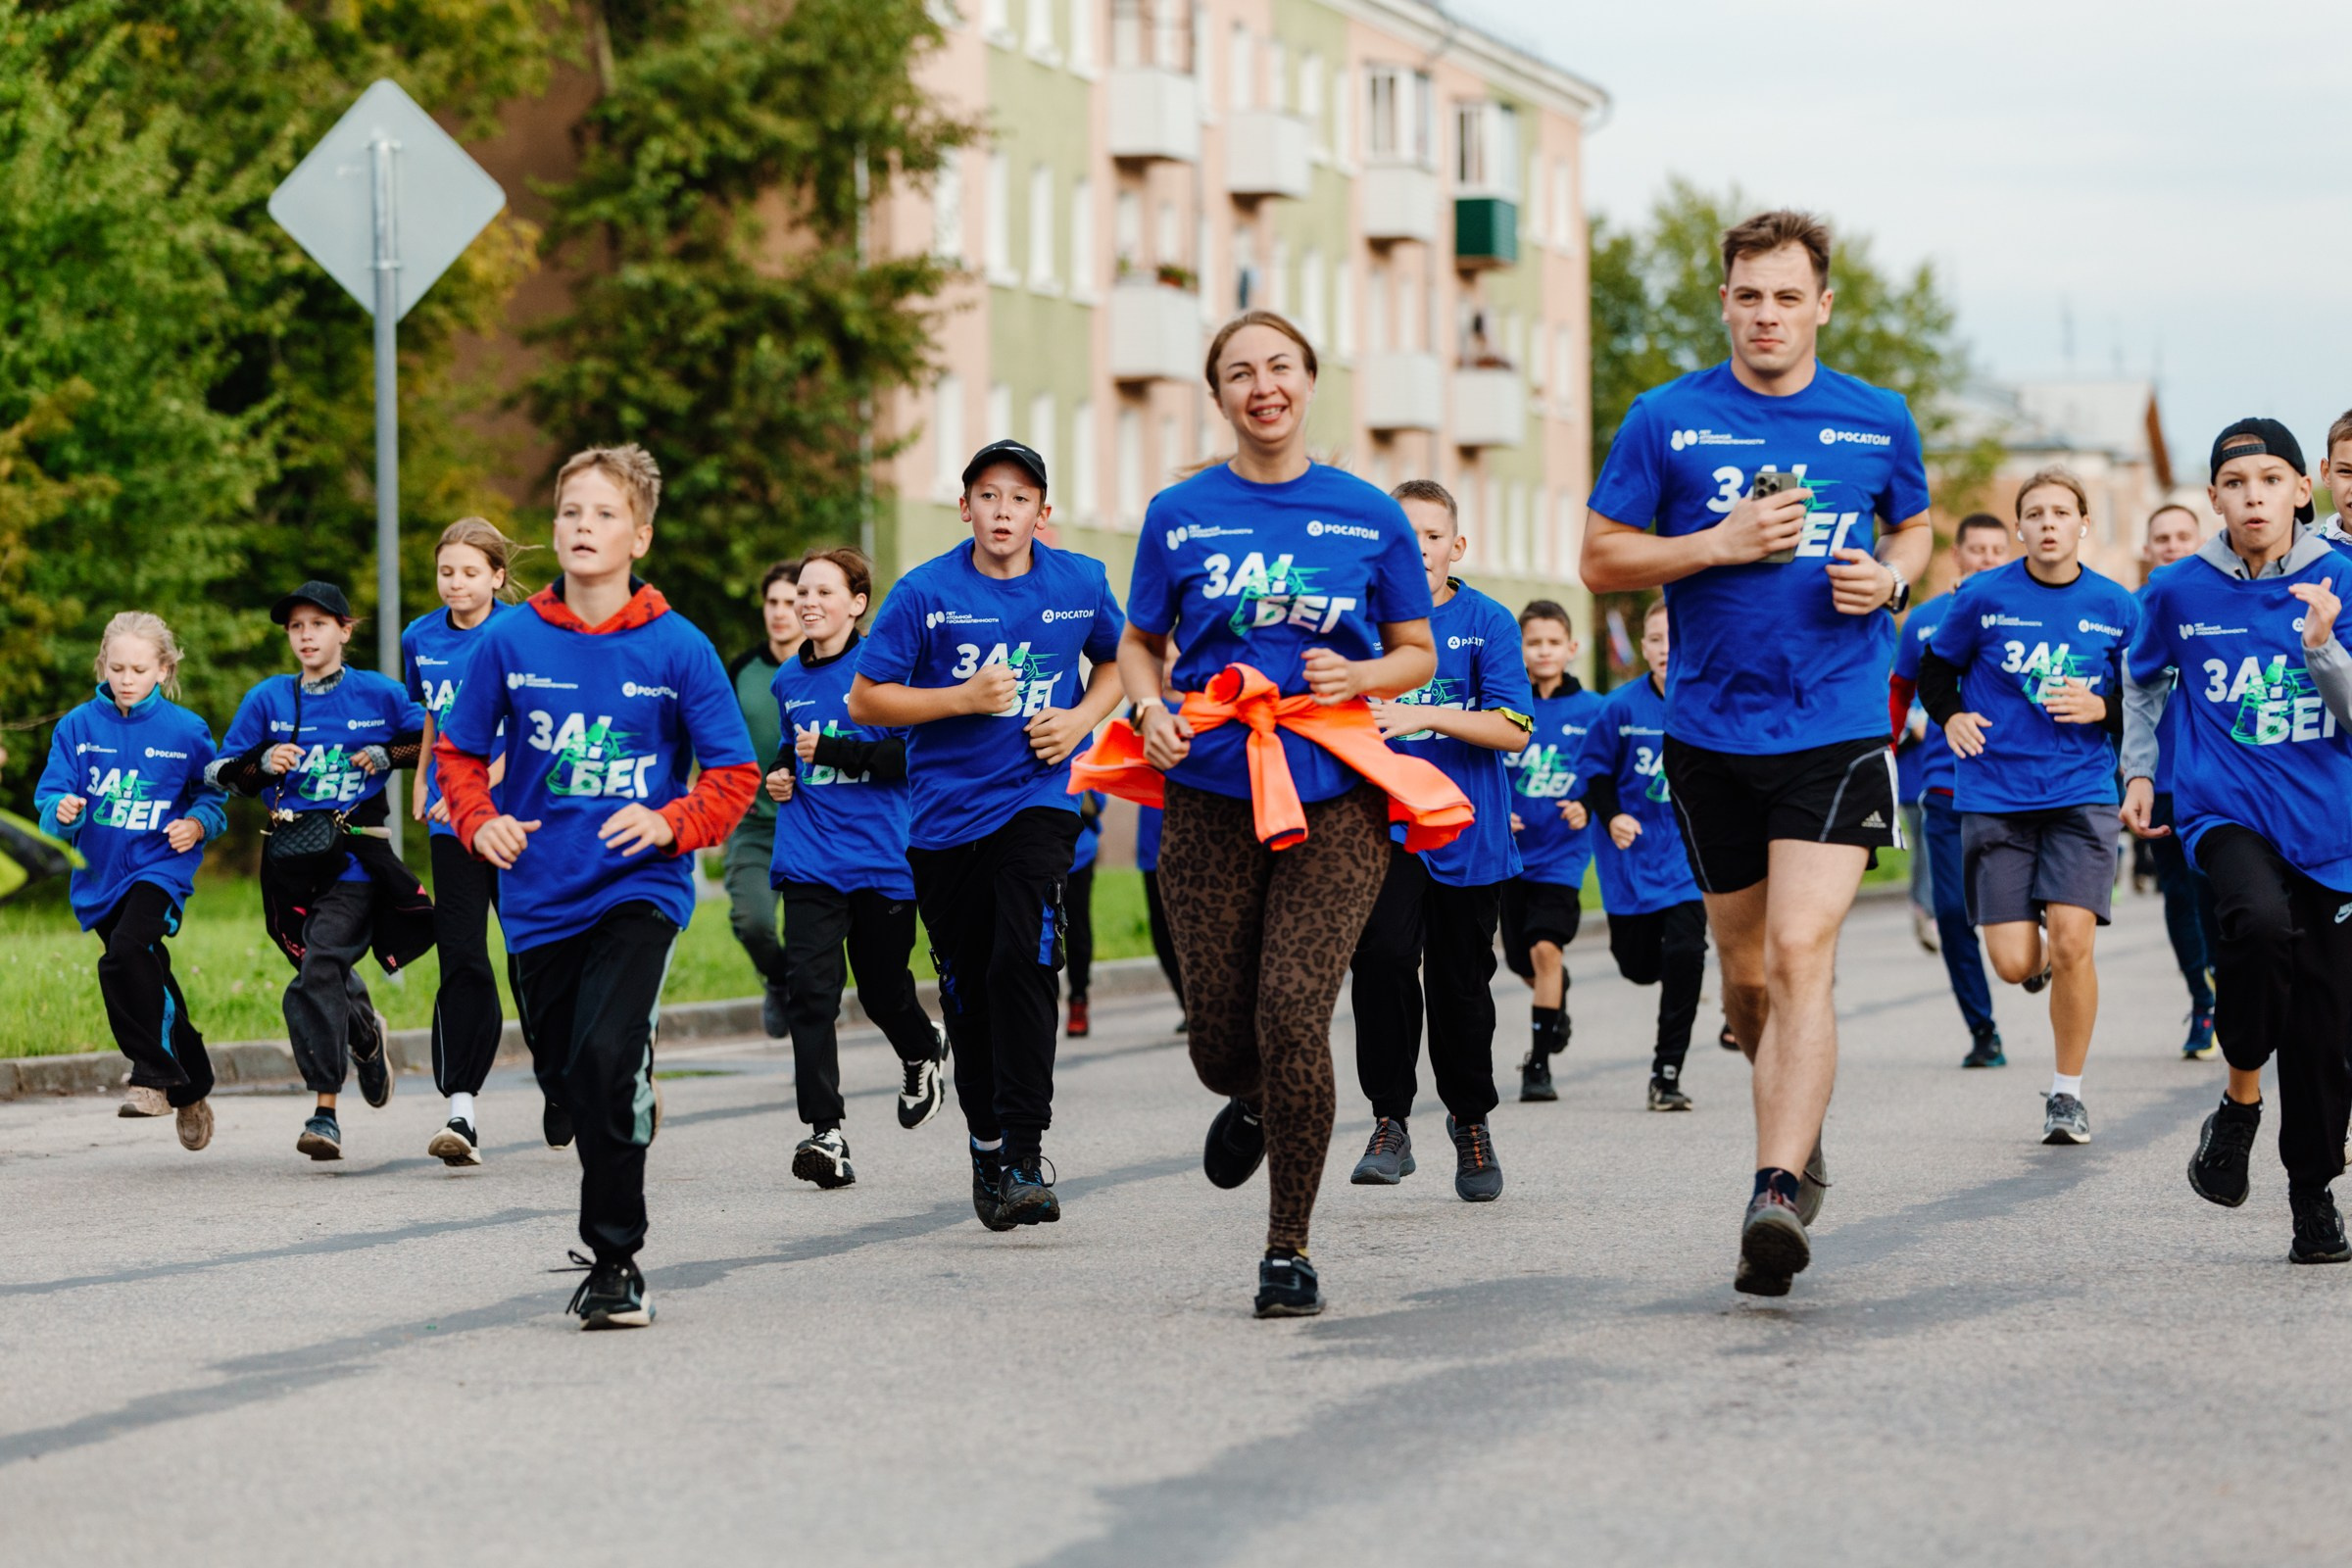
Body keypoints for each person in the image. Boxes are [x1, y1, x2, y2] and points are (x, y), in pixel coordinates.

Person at [1579, 209, 1933, 1298]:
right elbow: (1599, 559)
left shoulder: (1876, 418)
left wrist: (1895, 578)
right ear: (1724, 303)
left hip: (1832, 724)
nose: (1768, 314)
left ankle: (1775, 1185)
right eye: (1750, 295)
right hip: (1710, 736)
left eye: (1789, 295)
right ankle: (1799, 1122)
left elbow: (1913, 524)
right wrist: (1716, 544)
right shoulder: (1666, 420)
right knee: (1744, 983)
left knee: (1798, 952)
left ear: (1822, 305)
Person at [1083, 309, 1455, 1319]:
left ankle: (1287, 1245)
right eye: (1240, 372)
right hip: (1209, 788)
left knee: (1294, 1010)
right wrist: (1151, 707)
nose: (1264, 385)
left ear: (1308, 381)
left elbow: (1417, 650)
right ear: (1219, 396)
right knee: (1219, 1036)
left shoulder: (1366, 513)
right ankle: (1250, 1096)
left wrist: (1364, 669)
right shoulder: (1179, 512)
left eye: (1280, 367)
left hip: (1334, 785)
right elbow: (1138, 644)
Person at [438, 444, 760, 1329]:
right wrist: (480, 821)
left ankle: (616, 1261)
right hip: (539, 895)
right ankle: (606, 1091)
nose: (584, 527)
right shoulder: (510, 639)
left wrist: (670, 824)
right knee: (569, 1074)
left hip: (637, 888)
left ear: (640, 536)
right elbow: (459, 753)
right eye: (571, 513)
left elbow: (732, 775)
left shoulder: (678, 646)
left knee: (609, 1058)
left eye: (605, 513)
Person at [849, 437, 1127, 1233]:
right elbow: (868, 702)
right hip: (943, 824)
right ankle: (986, 1144)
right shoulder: (924, 593)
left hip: (1038, 802)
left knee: (1027, 957)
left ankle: (1026, 1154)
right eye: (988, 496)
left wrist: (1078, 718)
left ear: (1044, 512)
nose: (1003, 511)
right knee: (969, 991)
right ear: (965, 506)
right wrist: (963, 699)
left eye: (1019, 498)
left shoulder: (1080, 581)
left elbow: (1117, 662)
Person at [2126, 417, 2352, 1264]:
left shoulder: (2345, 581)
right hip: (2227, 815)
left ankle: (2312, 1200)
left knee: (2325, 1030)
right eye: (2235, 482)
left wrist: (2325, 647)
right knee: (2256, 926)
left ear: (2304, 488)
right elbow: (2142, 677)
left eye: (2270, 479)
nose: (2253, 495)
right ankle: (2241, 1100)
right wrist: (2141, 771)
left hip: (2331, 832)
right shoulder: (2179, 590)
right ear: (2213, 497)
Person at [1919, 469, 2137, 1145]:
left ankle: (2067, 1094)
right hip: (1997, 796)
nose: (2048, 524)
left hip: (2082, 792)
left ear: (2082, 526)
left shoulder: (2117, 605)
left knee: (2075, 941)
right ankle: (2038, 964)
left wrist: (2106, 708)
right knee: (2015, 963)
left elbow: (2152, 700)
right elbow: (1935, 671)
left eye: (2061, 512)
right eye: (2035, 513)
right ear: (2019, 529)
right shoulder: (1983, 598)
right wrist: (1951, 716)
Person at [1348, 479, 1532, 1201]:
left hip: (1468, 834)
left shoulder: (1486, 621)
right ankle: (1390, 1120)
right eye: (1404, 533)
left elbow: (1514, 727)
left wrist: (1425, 717)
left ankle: (1471, 1119)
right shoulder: (1359, 625)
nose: (1417, 546)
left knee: (1460, 986)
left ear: (1455, 547)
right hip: (1379, 833)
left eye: (1431, 534)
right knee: (1383, 962)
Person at [211, 581, 433, 1161]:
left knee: (322, 964)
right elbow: (219, 772)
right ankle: (366, 1034)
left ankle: (324, 1112)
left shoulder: (379, 695)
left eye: (317, 624)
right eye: (295, 627)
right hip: (288, 862)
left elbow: (434, 739)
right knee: (319, 968)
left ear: (345, 629)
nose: (306, 636)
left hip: (357, 859)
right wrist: (260, 763)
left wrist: (391, 755)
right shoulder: (268, 699)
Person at [762, 546, 949, 1190]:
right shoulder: (787, 679)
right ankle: (825, 1132)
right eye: (798, 595)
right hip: (811, 856)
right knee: (809, 993)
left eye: (821, 593)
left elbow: (913, 757)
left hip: (882, 859)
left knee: (881, 990)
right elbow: (793, 750)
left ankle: (923, 1049)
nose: (806, 604)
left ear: (857, 603)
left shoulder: (887, 671)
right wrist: (781, 776)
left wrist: (838, 750)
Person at [33, 612, 225, 1148]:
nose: (126, 678)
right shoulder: (76, 726)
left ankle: (151, 1079)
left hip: (159, 867)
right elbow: (50, 799)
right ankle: (192, 1088)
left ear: (162, 671)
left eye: (139, 669)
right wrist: (62, 809)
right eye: (116, 667)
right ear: (103, 666)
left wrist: (197, 822)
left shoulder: (187, 731)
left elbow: (213, 795)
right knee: (150, 978)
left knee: (127, 949)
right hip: (99, 875)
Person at [403, 517, 532, 1165]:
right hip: (452, 823)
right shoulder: (420, 637)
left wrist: (476, 783)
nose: (456, 583)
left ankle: (563, 1081)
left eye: (470, 572)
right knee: (462, 958)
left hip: (519, 821)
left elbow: (533, 726)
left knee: (531, 956)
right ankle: (461, 1109)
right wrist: (426, 780)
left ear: (497, 577)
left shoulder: (521, 633)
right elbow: (434, 712)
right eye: (446, 572)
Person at [1573, 601, 1710, 1110]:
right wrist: (1610, 817)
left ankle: (1666, 1071)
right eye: (1655, 639)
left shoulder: (1709, 701)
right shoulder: (1621, 708)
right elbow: (1593, 774)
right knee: (1638, 965)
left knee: (1686, 953)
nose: (1665, 648)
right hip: (1630, 858)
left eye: (1674, 638)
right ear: (1645, 646)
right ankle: (1664, 968)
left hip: (1688, 856)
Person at [1887, 514, 2010, 1066]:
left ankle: (2035, 958)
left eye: (1995, 549)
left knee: (2017, 904)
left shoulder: (2025, 611)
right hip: (1943, 788)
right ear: (1957, 556)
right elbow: (1898, 693)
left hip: (2012, 786)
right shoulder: (1924, 622)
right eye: (1975, 549)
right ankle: (1983, 1031)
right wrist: (1882, 758)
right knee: (1954, 912)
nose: (1985, 558)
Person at [1501, 599, 1600, 1102]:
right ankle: (1553, 994)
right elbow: (1483, 767)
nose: (1543, 651)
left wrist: (1588, 802)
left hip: (1562, 857)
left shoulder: (1594, 711)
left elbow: (1611, 774)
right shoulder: (1505, 704)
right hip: (1511, 855)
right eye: (1533, 642)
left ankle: (1537, 1065)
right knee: (1523, 960)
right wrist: (1498, 811)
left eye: (1553, 642)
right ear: (1520, 649)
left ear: (1571, 647)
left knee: (1545, 948)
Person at [2139, 502, 2223, 1058]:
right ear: (2148, 549)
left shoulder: (2218, 605)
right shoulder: (2137, 610)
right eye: (2162, 538)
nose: (2172, 545)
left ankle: (2231, 987)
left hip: (2214, 778)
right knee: (2178, 896)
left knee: (2218, 892)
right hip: (2160, 782)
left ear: (2201, 541)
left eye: (2182, 536)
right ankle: (2203, 1000)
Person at [726, 560, 802, 1038]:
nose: (779, 613)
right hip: (752, 822)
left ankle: (811, 1015)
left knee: (809, 938)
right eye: (772, 602)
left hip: (812, 822)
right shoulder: (742, 669)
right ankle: (779, 982)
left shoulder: (826, 668)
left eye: (790, 603)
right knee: (750, 920)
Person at [1136, 803, 1185, 1028]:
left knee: (1194, 931)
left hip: (1190, 844)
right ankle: (1188, 1004)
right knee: (1162, 934)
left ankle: (1203, 1006)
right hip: (1153, 846)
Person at [1064, 790, 1106, 1037]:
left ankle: (1078, 998)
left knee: (1077, 929)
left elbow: (1095, 805)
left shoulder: (1084, 749)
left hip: (1078, 851)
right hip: (1029, 850)